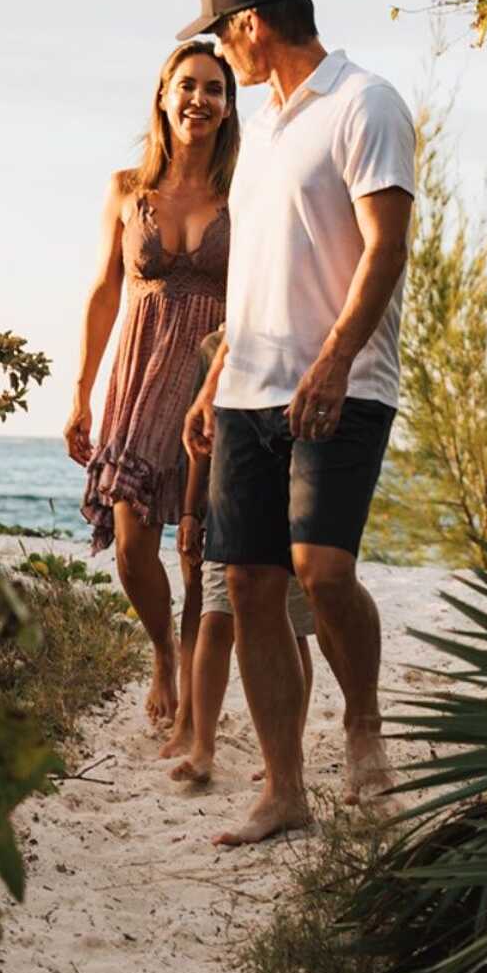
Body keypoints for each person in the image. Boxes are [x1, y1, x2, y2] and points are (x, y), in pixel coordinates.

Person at [179, 0, 415, 846]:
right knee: (249, 585)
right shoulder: (263, 132)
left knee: (322, 571)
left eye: (220, 35)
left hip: (343, 383)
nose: (220, 53)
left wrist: (335, 359)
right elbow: (255, 273)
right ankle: (285, 790)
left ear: (250, 25)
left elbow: (386, 248)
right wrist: (215, 380)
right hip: (247, 386)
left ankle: (363, 728)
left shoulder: (365, 103)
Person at [65, 39, 239, 732]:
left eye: (215, 89)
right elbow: (105, 291)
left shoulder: (243, 194)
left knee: (198, 550)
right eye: (187, 85)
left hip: (212, 377)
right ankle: (163, 651)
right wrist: (81, 392)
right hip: (138, 378)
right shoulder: (125, 189)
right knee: (134, 540)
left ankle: (194, 697)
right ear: (163, 97)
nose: (200, 99)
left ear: (228, 109)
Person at [167, 327, 313, 787]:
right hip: (227, 504)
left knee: (291, 630)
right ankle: (202, 747)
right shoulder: (212, 348)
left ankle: (287, 749)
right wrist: (190, 511)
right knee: (214, 621)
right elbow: (200, 444)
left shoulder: (298, 336)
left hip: (288, 508)